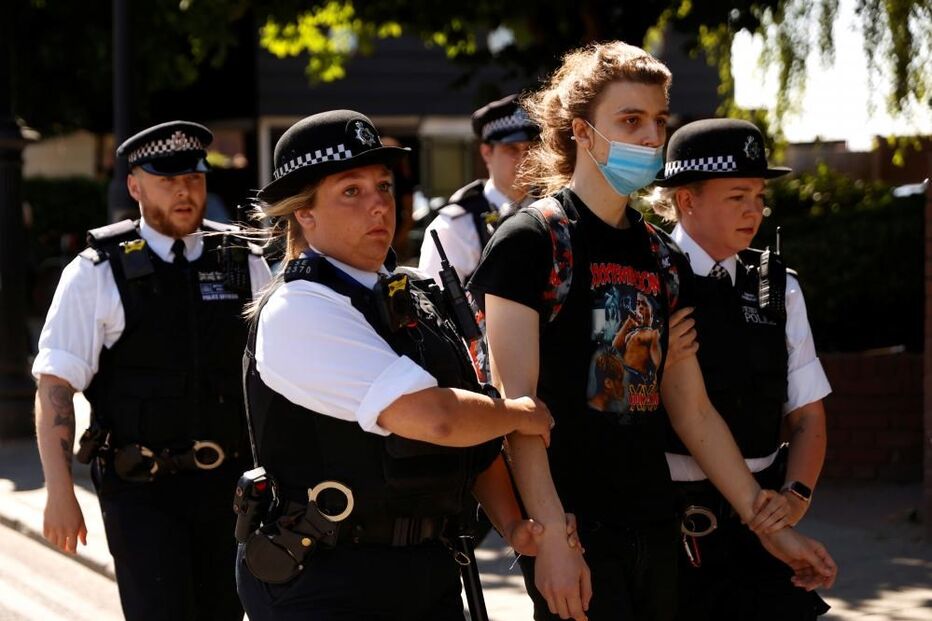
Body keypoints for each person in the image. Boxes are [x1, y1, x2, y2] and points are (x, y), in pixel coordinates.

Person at [467, 41, 837, 621]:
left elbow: (692, 411)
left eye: (658, 122)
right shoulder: (531, 242)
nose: (649, 138)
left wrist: (770, 529)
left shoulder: (662, 257)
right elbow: (520, 414)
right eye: (630, 120)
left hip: (656, 528)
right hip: (578, 532)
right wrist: (555, 544)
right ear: (582, 131)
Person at [236, 109, 578, 621]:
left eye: (383, 186)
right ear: (303, 214)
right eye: (351, 191)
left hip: (426, 570)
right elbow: (436, 418)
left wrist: (512, 525)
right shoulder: (299, 309)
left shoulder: (413, 294)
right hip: (327, 580)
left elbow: (471, 439)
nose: (378, 204)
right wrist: (520, 413)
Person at [32, 120, 272, 621]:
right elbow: (56, 384)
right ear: (135, 187)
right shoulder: (97, 271)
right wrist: (59, 492)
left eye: (194, 178)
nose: (185, 192)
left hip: (229, 489)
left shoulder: (243, 261)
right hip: (140, 488)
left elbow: (276, 376)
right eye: (168, 181)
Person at [648, 118, 831, 620]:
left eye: (758, 195)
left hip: (764, 516)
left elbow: (809, 417)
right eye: (737, 196)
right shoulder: (646, 276)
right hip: (672, 525)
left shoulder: (778, 285)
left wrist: (794, 498)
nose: (755, 210)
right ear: (687, 200)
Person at [418, 93, 540, 284]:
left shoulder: (553, 212)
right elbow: (434, 308)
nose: (524, 160)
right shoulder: (455, 227)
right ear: (486, 152)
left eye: (532, 149)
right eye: (512, 150)